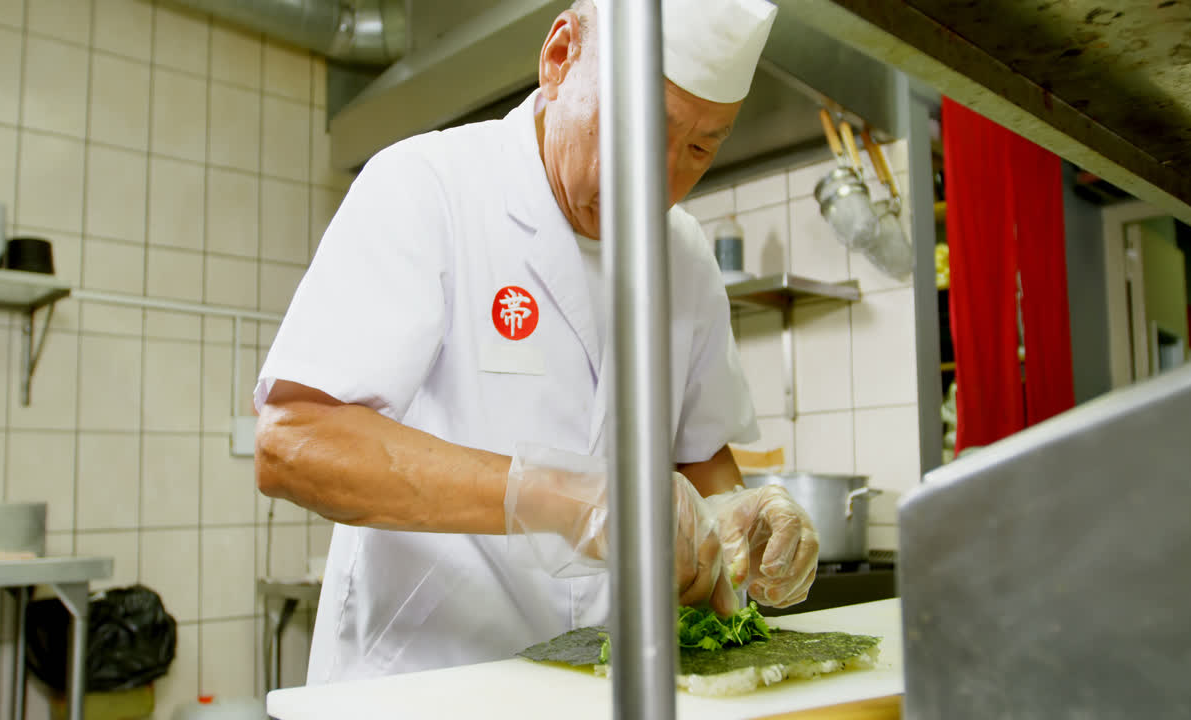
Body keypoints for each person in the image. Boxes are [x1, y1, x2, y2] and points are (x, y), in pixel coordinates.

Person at [252, 0, 819, 683]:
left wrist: (742, 514)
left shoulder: (686, 258)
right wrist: (557, 496)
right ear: (559, 59)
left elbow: (702, 460)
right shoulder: (429, 187)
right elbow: (295, 444)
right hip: (424, 679)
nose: (661, 179)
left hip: (600, 685)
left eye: (700, 148)